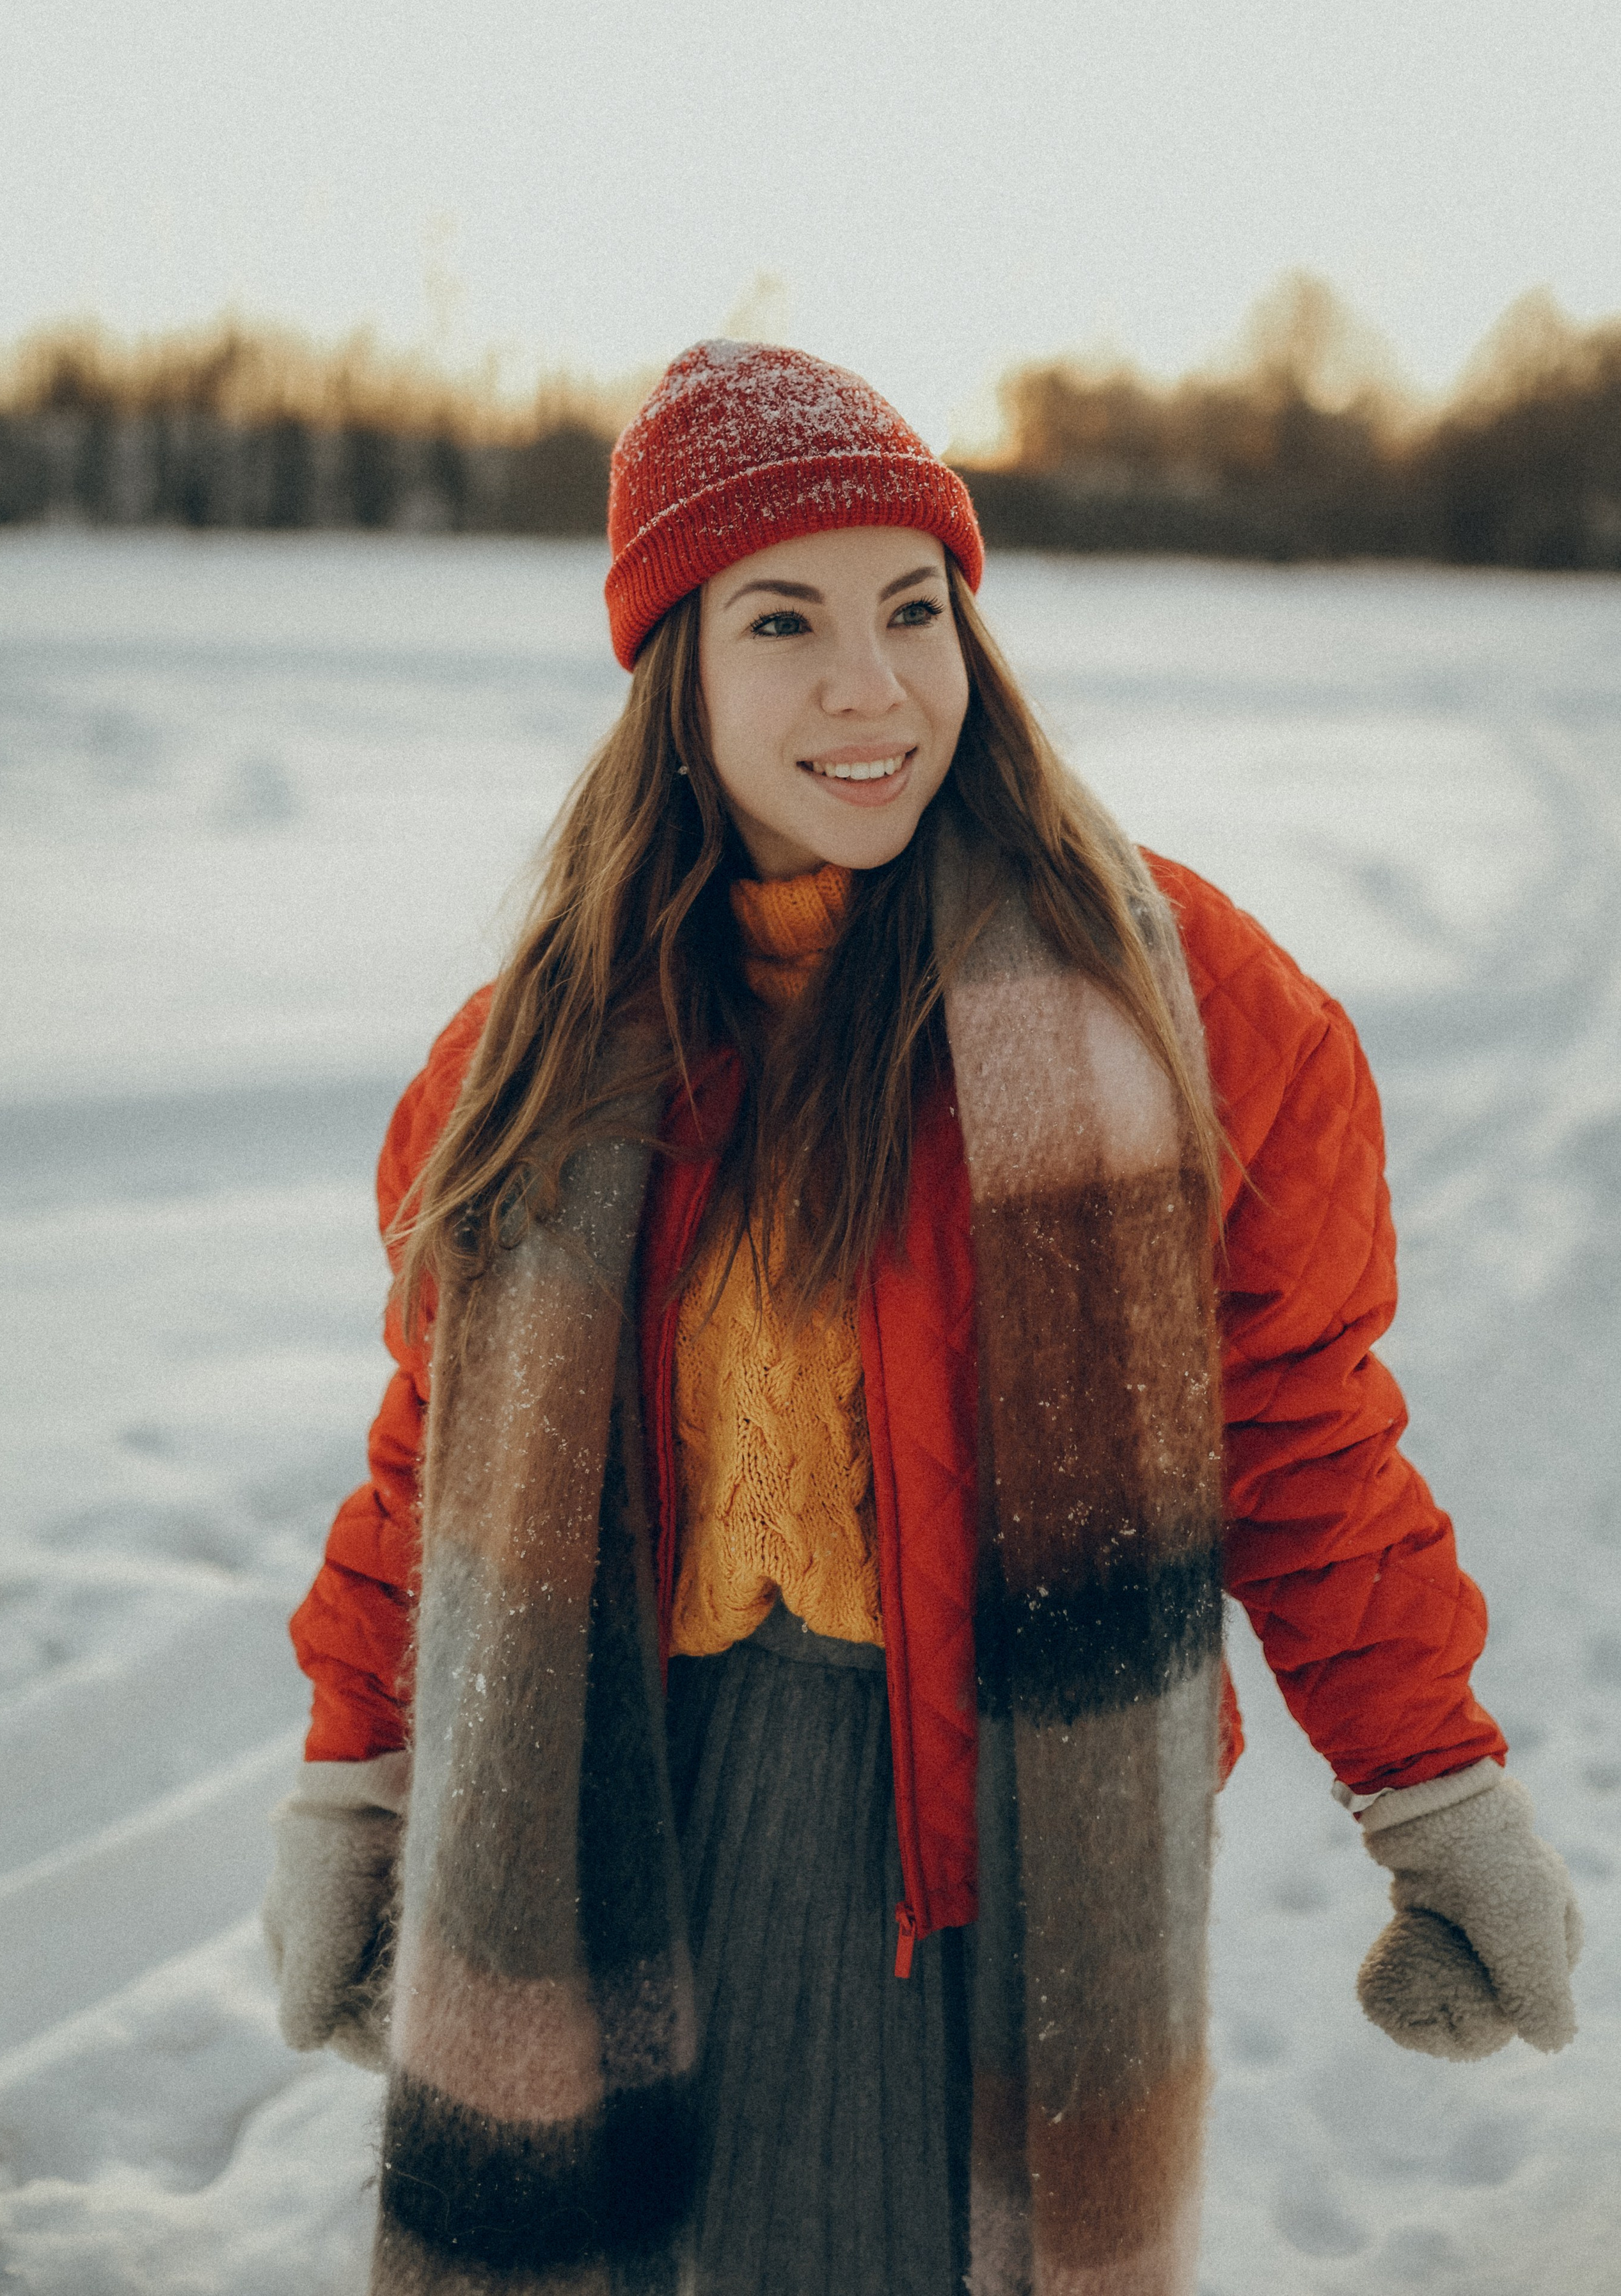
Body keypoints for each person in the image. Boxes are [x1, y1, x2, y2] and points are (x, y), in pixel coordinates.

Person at [262, 340, 1581, 2296]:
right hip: (589, 1811)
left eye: (913, 609)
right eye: (783, 621)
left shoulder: (1185, 1008)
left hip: (951, 1846)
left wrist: (1435, 1792)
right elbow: (431, 1459)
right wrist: (356, 1788)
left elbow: (1301, 1438)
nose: (872, 685)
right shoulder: (538, 1051)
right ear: (676, 672)